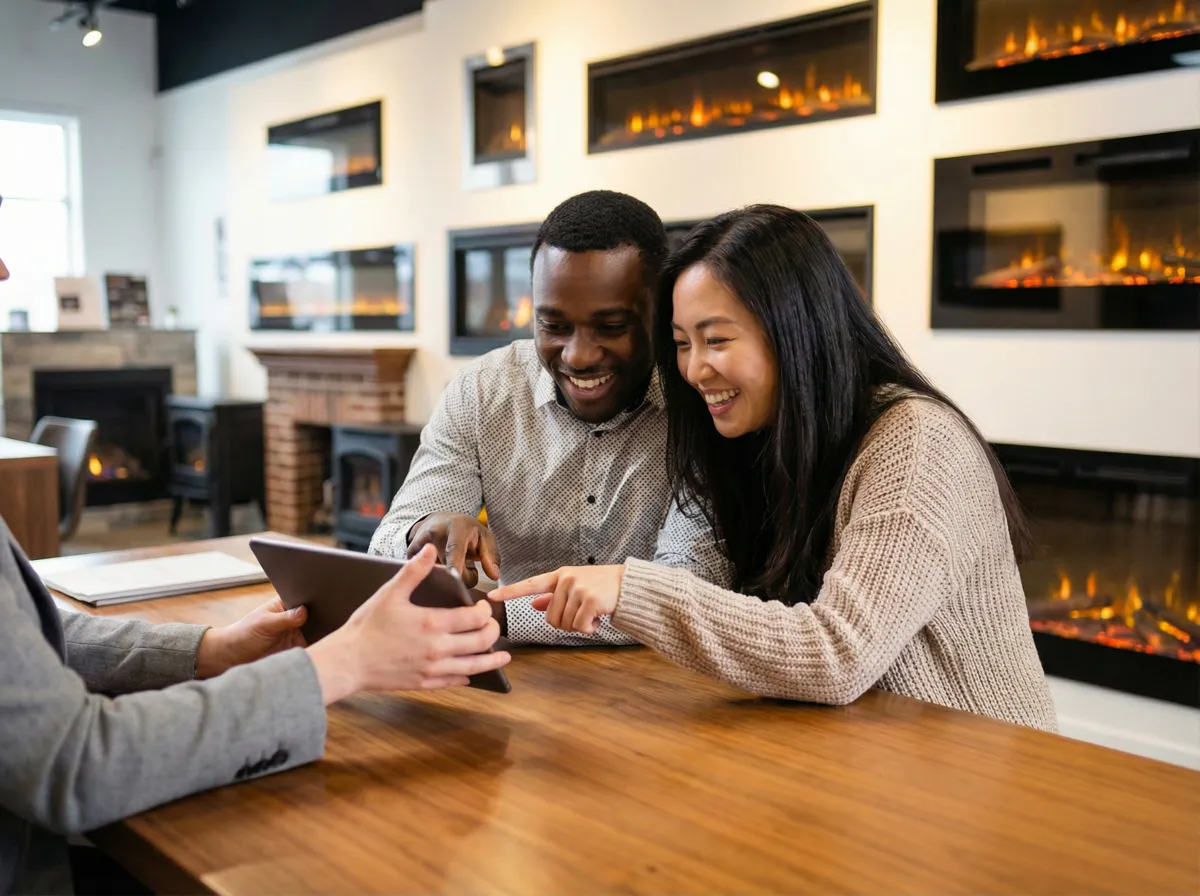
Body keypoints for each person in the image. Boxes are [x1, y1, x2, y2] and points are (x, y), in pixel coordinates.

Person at [0, 193, 511, 896]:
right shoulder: (480, 391)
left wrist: (207, 651)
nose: (3, 269)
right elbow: (76, 765)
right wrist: (339, 666)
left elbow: (31, 638)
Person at [491, 205, 1058, 731]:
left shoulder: (917, 442)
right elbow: (698, 586)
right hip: (854, 757)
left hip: (980, 776)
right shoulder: (750, 441)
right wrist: (499, 611)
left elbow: (838, 655)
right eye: (682, 343)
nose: (693, 370)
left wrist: (627, 586)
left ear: (796, 331)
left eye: (716, 340)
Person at [370, 190, 728, 645]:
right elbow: (385, 548)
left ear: (662, 314)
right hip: (511, 676)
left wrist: (495, 615)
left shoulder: (702, 400)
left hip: (665, 686)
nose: (578, 357)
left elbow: (688, 589)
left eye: (612, 327)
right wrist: (420, 534)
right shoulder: (482, 390)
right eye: (554, 326)